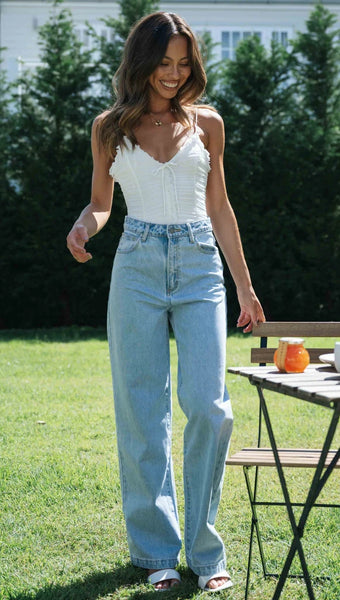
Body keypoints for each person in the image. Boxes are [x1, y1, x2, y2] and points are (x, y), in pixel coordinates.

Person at [67, 11, 265, 592]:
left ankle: (206, 553)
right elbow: (102, 203)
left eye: (183, 64)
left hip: (201, 263)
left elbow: (221, 207)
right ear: (142, 62)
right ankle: (156, 550)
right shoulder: (110, 127)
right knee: (141, 412)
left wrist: (246, 289)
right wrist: (84, 228)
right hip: (137, 265)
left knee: (209, 406)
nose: (174, 74)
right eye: (164, 63)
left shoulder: (208, 124)